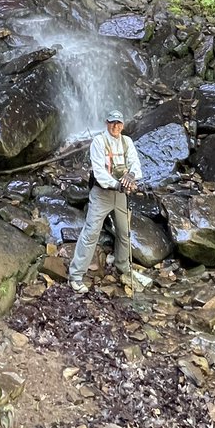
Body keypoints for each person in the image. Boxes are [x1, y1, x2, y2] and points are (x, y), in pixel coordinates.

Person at [69, 110, 142, 295]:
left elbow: (136, 164)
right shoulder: (99, 142)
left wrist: (131, 176)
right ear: (106, 123)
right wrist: (118, 184)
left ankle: (122, 265)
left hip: (121, 195)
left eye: (118, 123)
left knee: (124, 232)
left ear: (123, 125)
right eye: (111, 122)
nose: (115, 126)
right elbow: (100, 173)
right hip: (102, 194)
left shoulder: (127, 142)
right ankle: (76, 276)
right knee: (91, 232)